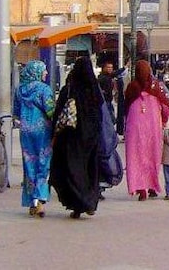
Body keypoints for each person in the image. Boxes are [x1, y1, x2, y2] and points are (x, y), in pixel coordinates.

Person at [50, 57, 103, 218]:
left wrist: (54, 133)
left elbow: (59, 113)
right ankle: (90, 201)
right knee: (90, 168)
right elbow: (101, 113)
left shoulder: (70, 89)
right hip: (91, 136)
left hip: (72, 137)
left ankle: (77, 204)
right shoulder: (94, 90)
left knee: (72, 168)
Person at [124, 59, 169, 201]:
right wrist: (163, 120)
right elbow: (166, 107)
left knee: (136, 156)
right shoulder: (156, 87)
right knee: (153, 156)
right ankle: (152, 186)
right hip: (153, 128)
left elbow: (125, 108)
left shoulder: (132, 87)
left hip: (135, 129)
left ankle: (140, 189)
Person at [13, 61, 55, 218]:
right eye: (44, 71)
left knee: (29, 164)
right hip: (42, 131)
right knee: (43, 164)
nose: (46, 74)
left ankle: (32, 201)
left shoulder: (20, 90)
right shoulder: (44, 89)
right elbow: (50, 111)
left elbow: (16, 112)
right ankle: (40, 199)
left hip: (25, 131)